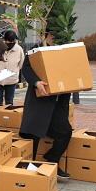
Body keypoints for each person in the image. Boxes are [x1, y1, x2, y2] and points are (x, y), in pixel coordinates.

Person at [19, 31, 72, 180]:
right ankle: (30, 170)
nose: (55, 39)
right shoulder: (37, 50)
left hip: (58, 103)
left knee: (65, 132)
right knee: (34, 134)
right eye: (53, 36)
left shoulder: (66, 51)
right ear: (47, 35)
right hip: (40, 102)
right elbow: (26, 68)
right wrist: (36, 82)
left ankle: (52, 159)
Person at [0, 30, 25, 105]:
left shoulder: (19, 49)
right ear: (4, 40)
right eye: (8, 41)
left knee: (9, 102)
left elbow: (21, 64)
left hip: (11, 79)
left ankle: (8, 117)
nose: (10, 43)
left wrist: (13, 71)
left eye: (12, 41)